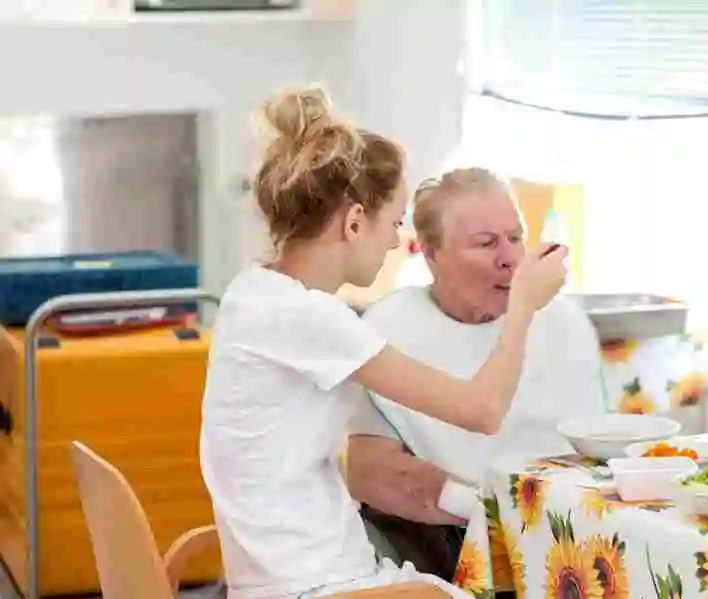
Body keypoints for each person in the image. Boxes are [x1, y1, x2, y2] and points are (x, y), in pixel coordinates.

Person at [198, 86, 568, 599]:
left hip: (288, 573)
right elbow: (483, 410)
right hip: (314, 585)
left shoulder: (252, 293)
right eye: (393, 223)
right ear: (354, 223)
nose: (396, 241)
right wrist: (523, 304)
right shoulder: (310, 319)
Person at [346, 168, 606, 580]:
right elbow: (368, 471)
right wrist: (482, 508)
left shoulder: (564, 322)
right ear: (431, 254)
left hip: (573, 529)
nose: (510, 258)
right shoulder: (390, 328)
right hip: (454, 539)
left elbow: (599, 445)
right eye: (486, 243)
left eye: (516, 238)